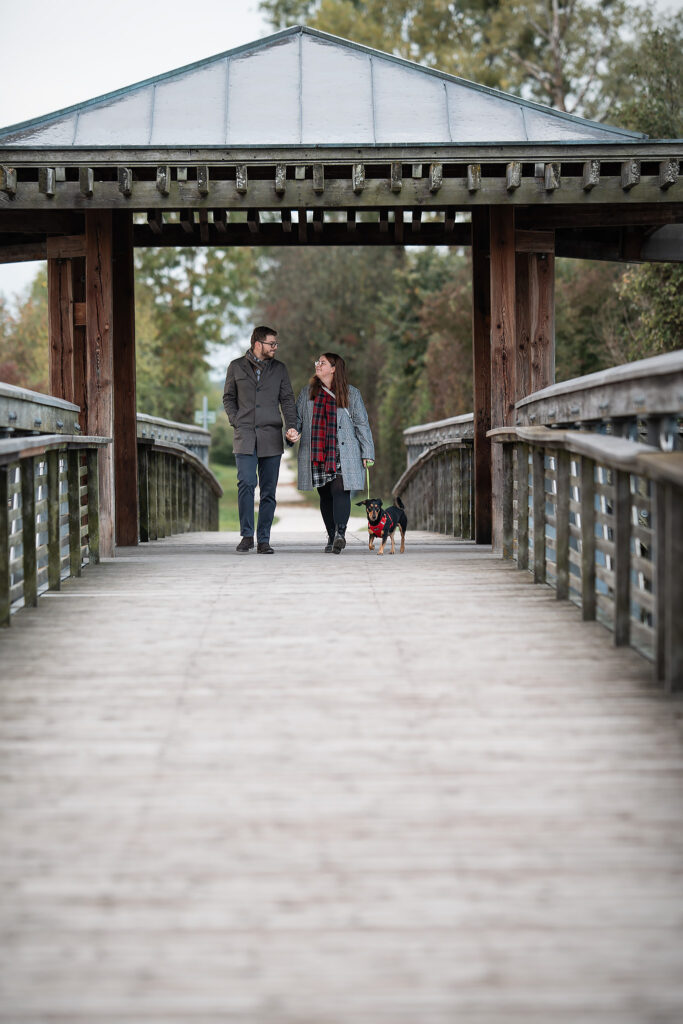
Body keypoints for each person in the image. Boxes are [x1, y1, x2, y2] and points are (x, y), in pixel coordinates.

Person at [223, 326, 298, 554]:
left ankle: (263, 539)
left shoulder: (280, 369)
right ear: (257, 343)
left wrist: (292, 426)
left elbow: (287, 399)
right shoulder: (236, 367)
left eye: (276, 344)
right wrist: (236, 419)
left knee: (268, 491)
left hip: (271, 437)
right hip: (244, 436)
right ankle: (247, 535)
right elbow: (228, 397)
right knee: (246, 484)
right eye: (271, 343)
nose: (275, 347)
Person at [294, 352, 375, 554]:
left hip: (344, 450)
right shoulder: (307, 393)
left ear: (334, 368)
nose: (317, 365)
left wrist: (368, 452)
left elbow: (362, 424)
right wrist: (292, 432)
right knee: (325, 493)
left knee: (341, 490)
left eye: (322, 363)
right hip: (317, 450)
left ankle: (340, 533)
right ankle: (331, 536)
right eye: (317, 362)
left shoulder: (351, 394)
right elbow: (297, 420)